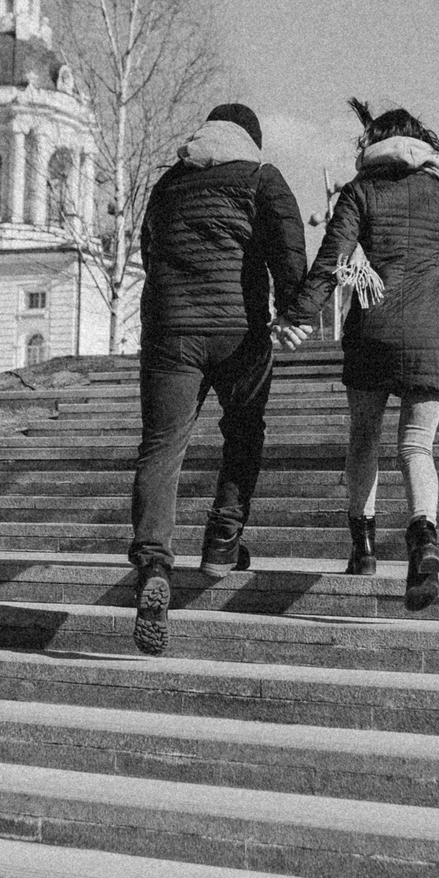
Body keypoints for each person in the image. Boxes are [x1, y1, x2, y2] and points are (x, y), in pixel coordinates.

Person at [275, 99, 439, 611]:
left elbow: (331, 261)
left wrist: (297, 316)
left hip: (371, 333)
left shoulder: (359, 194)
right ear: (424, 148)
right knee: (416, 448)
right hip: (432, 336)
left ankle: (363, 550)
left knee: (364, 439)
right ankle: (425, 545)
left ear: (373, 148)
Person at [126, 101, 306, 655]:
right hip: (239, 330)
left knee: (161, 447)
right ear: (251, 140)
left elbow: (147, 251)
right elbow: (289, 250)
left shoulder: (166, 185)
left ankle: (154, 565)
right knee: (245, 431)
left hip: (170, 333)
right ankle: (222, 542)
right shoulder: (260, 177)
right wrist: (294, 311)